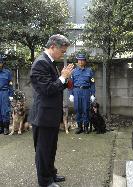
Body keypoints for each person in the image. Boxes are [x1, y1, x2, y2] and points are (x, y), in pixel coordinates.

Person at [29, 34, 74, 187]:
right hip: (43, 116)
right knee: (43, 151)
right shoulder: (40, 63)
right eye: (62, 50)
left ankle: (51, 174)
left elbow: (56, 86)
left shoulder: (49, 61)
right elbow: (47, 89)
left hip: (51, 115)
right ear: (53, 46)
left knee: (51, 148)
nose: (64, 53)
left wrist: (65, 79)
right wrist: (62, 77)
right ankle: (45, 181)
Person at [69, 53, 96, 134]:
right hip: (77, 91)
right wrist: (71, 94)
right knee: (78, 109)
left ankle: (86, 127)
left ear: (85, 61)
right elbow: (71, 84)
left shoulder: (89, 71)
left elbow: (92, 83)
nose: (80, 62)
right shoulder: (73, 71)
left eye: (82, 60)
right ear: (77, 61)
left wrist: (93, 94)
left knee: (86, 109)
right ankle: (79, 127)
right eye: (79, 60)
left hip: (86, 91)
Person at [0, 54, 13, 135]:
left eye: (0, 62)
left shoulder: (7, 72)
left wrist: (11, 95)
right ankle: (0, 127)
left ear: (2, 63)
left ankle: (6, 128)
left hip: (4, 93)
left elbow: (10, 84)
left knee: (5, 110)